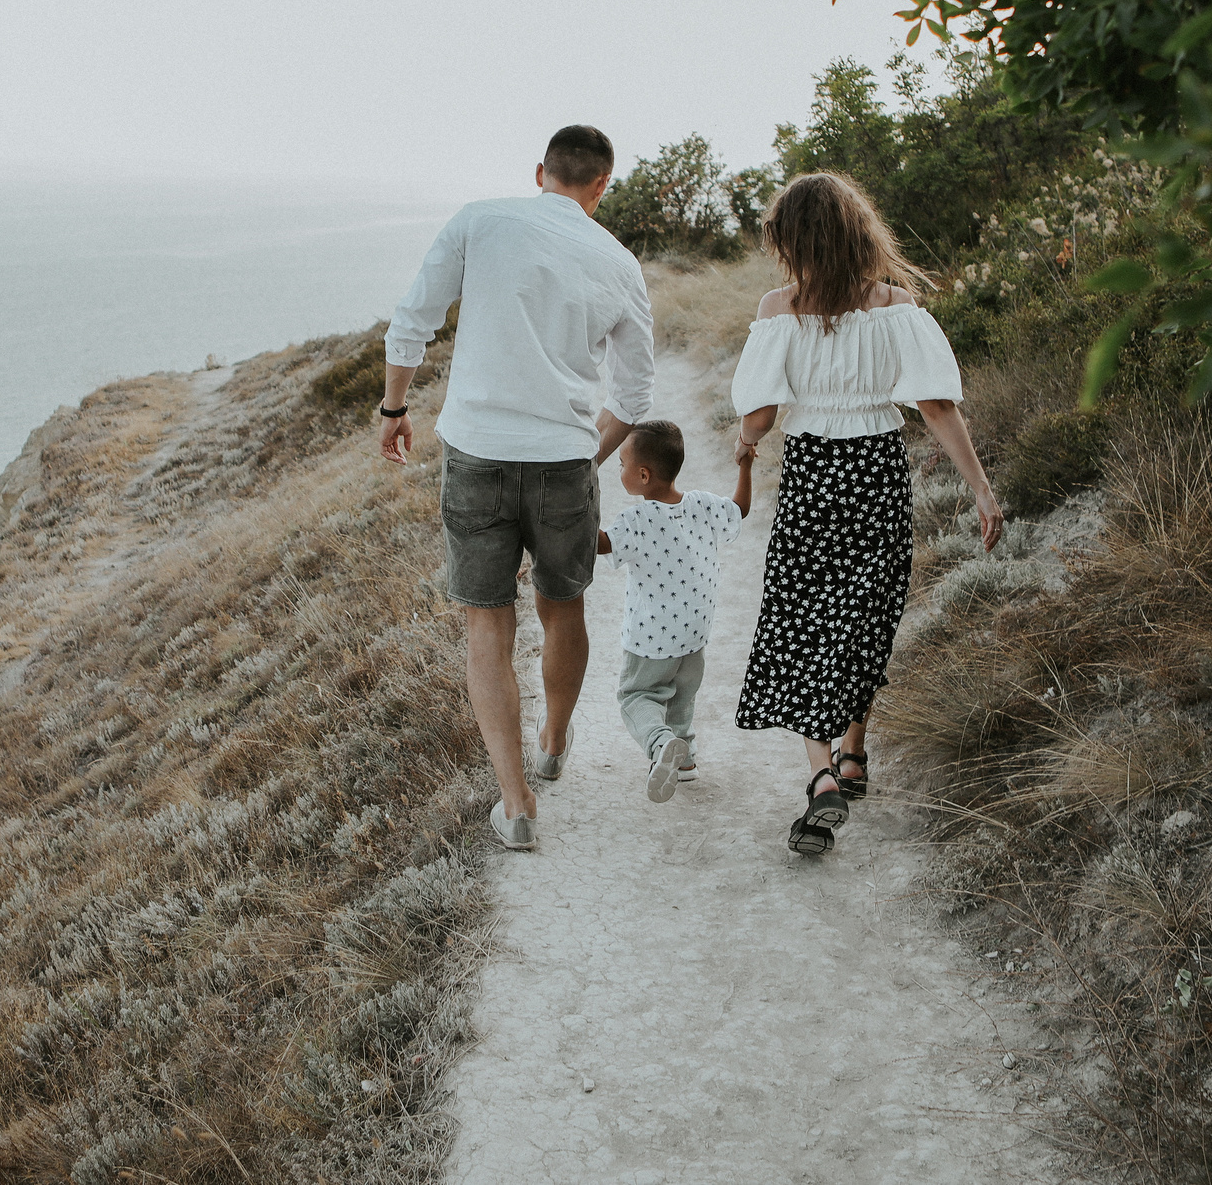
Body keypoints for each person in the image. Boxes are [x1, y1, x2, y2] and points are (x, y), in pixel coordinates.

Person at [379, 125, 655, 851]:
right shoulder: (619, 262)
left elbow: (412, 321)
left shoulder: (480, 220)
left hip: (477, 451)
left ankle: (517, 802)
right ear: (601, 185)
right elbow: (634, 395)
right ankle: (554, 743)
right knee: (563, 609)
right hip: (564, 460)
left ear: (541, 172)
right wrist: (584, 457)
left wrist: (394, 408)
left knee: (487, 625)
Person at [728, 171, 1002, 855]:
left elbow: (760, 414)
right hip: (876, 471)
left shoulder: (778, 309)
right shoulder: (895, 306)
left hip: (813, 475)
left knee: (804, 616)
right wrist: (980, 487)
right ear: (858, 232)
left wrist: (746, 442)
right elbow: (935, 405)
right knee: (866, 614)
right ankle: (854, 753)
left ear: (791, 240)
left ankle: (823, 772)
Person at [599, 419, 749, 804]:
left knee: (636, 695)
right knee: (682, 695)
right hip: (694, 634)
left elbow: (599, 544)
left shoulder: (636, 521)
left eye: (621, 465)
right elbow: (740, 509)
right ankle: (685, 759)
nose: (619, 471)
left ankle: (660, 743)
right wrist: (745, 466)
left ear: (643, 475)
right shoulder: (701, 504)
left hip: (651, 638)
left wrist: (574, 502)